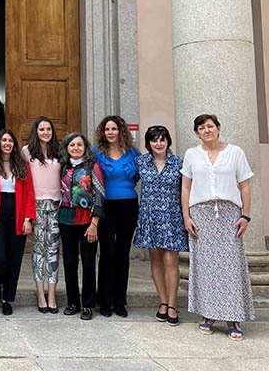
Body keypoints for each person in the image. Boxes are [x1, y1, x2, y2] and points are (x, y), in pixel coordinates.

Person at [181, 114, 255, 340]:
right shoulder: (192, 155)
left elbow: (244, 186)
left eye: (210, 126)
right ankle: (208, 315)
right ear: (196, 133)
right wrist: (186, 216)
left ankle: (233, 317)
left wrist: (246, 216)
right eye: (201, 128)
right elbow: (186, 187)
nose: (206, 130)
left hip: (229, 214)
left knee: (231, 266)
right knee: (205, 266)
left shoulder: (235, 153)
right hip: (201, 215)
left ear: (218, 128)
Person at [134, 125, 187, 326]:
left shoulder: (178, 164)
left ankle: (172, 305)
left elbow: (186, 189)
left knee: (171, 261)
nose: (158, 143)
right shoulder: (141, 162)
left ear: (168, 142)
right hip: (149, 217)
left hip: (171, 217)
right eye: (154, 140)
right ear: (148, 143)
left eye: (162, 139)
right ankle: (163, 302)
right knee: (155, 260)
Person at [0, 129, 35, 316]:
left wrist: (28, 218)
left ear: (14, 144)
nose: (7, 143)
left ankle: (8, 299)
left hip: (18, 215)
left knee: (14, 258)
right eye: (3, 140)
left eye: (10, 140)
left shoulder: (22, 166)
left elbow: (29, 193)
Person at [93, 115, 141, 318]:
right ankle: (104, 301)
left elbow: (141, 173)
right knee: (107, 253)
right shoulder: (96, 153)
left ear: (121, 131)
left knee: (122, 254)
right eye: (107, 129)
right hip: (106, 207)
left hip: (128, 205)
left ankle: (120, 301)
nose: (110, 132)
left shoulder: (132, 153)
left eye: (114, 129)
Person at [58, 132, 105, 320]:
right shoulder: (62, 168)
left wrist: (95, 222)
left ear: (85, 147)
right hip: (65, 219)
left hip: (87, 221)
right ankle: (72, 302)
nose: (75, 148)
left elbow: (100, 195)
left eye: (79, 145)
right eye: (72, 145)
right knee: (69, 263)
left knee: (88, 262)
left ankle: (87, 304)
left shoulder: (93, 167)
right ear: (67, 148)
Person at [20, 116, 61, 313]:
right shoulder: (27, 152)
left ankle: (52, 295)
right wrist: (26, 215)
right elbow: (22, 181)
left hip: (55, 206)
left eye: (48, 129)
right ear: (36, 131)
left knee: (52, 251)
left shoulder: (59, 153)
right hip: (34, 206)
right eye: (42, 129)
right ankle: (40, 295)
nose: (45, 133)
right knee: (38, 251)